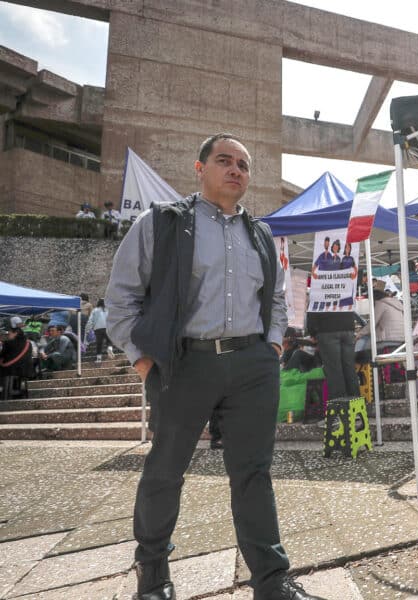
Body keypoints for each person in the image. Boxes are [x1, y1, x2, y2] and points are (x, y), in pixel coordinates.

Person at [105, 133, 326, 600]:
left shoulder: (261, 233)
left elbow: (278, 301)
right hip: (185, 364)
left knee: (253, 472)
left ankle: (271, 581)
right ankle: (153, 576)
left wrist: (269, 346)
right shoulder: (161, 223)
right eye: (225, 160)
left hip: (251, 365)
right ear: (199, 167)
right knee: (165, 470)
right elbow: (122, 297)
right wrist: (143, 361)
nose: (236, 170)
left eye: (244, 165)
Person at [357, 281, 405, 347]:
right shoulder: (396, 303)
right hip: (402, 338)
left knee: (365, 346)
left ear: (374, 298)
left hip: (387, 340)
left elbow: (372, 325)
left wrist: (359, 335)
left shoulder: (380, 304)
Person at [1, 318, 34, 399]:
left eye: (9, 333)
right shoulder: (29, 343)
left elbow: (2, 355)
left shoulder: (8, 343)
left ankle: (4, 394)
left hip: (11, 370)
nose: (8, 335)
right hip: (27, 371)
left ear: (15, 333)